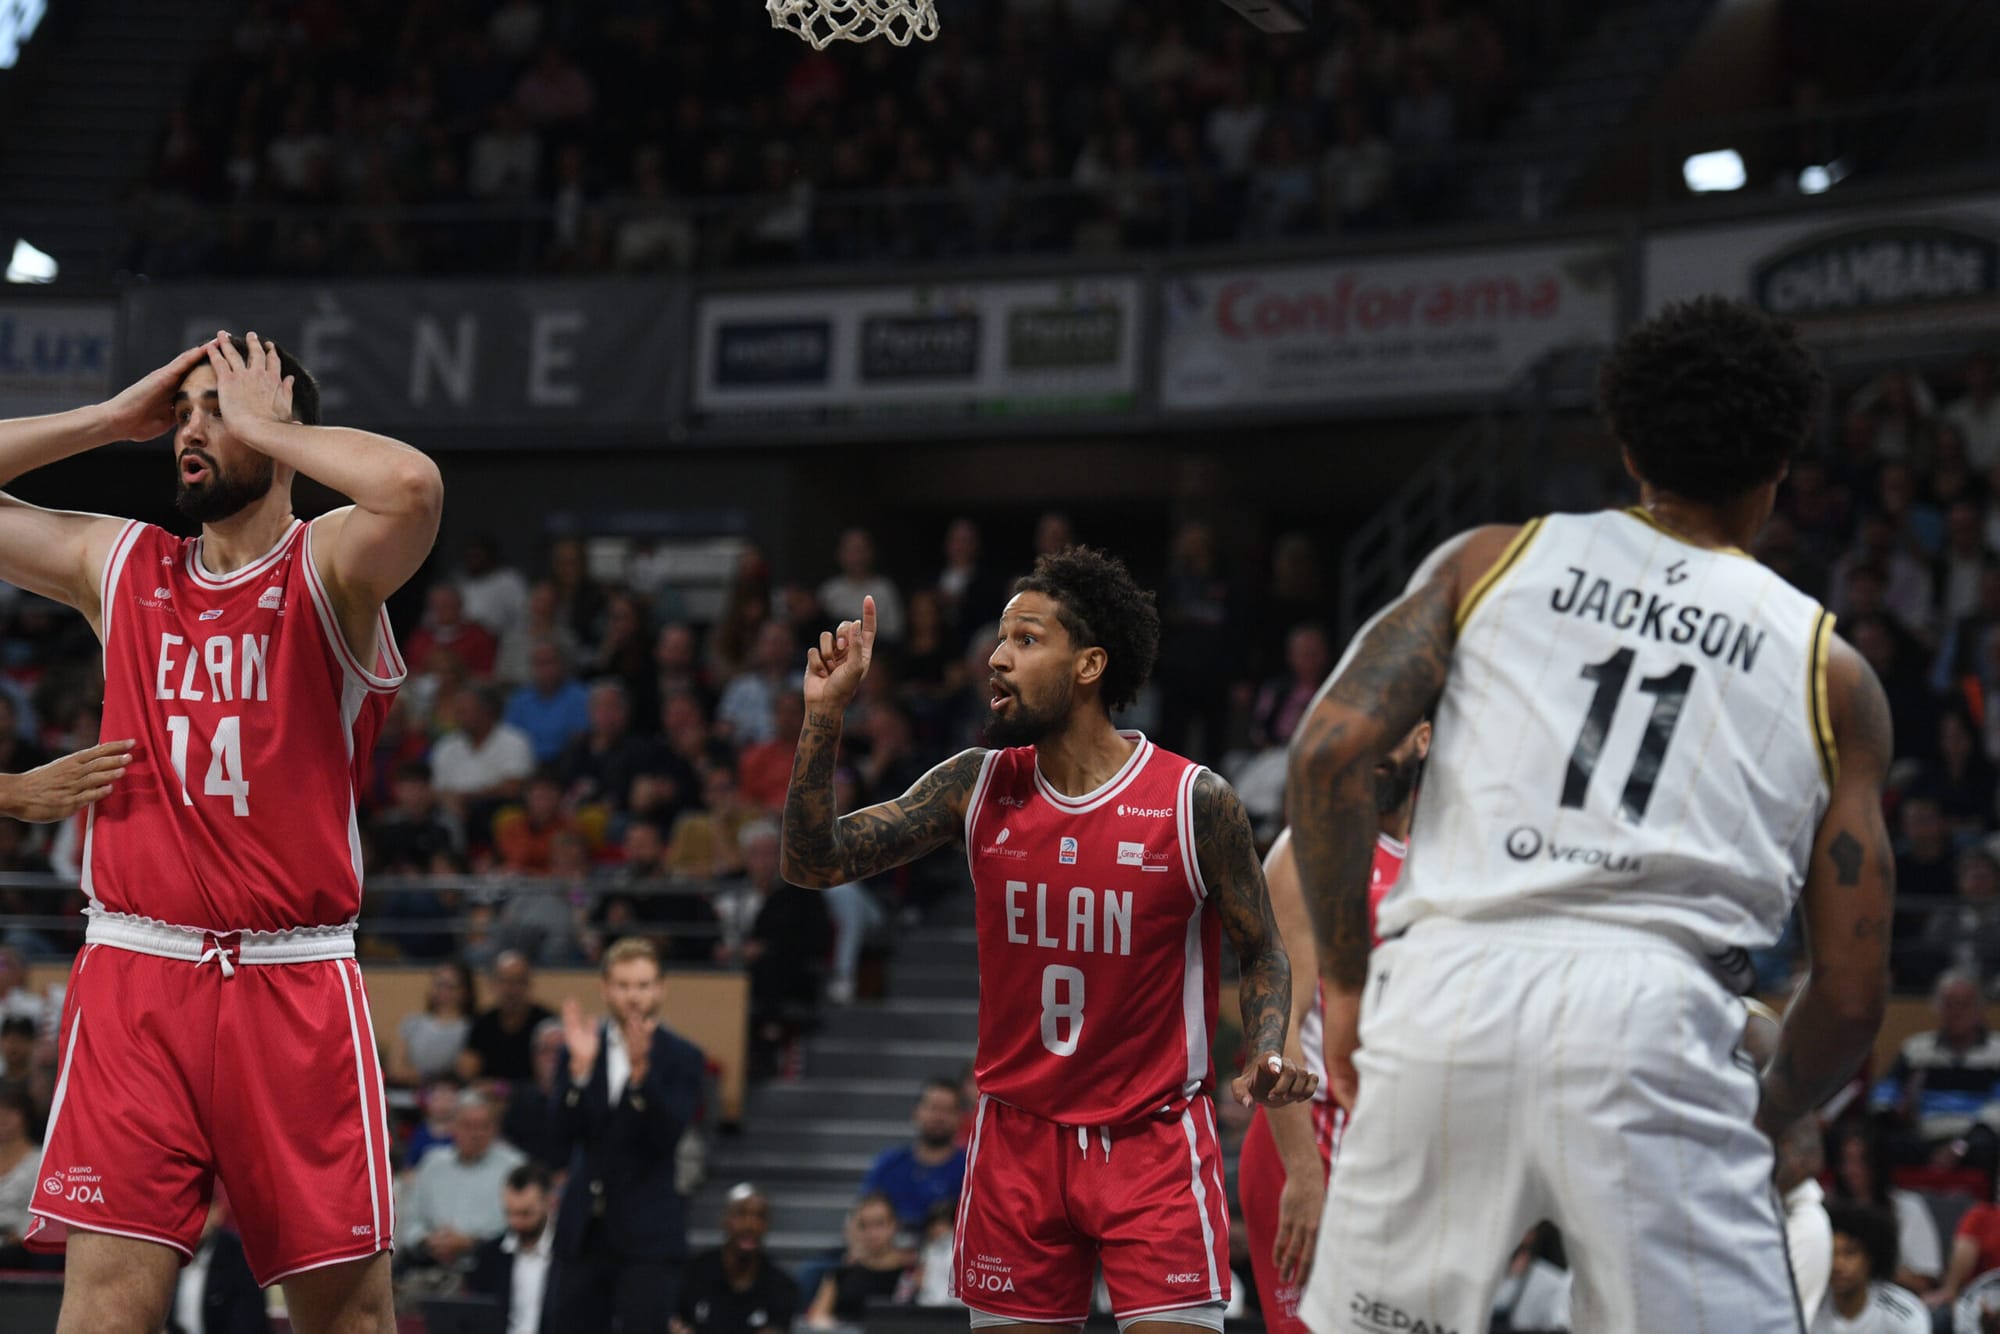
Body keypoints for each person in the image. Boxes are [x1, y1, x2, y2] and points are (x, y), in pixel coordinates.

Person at [1288, 297, 1891, 1331]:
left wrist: (1344, 983)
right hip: (1657, 1017)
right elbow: (1846, 993)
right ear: (1778, 468)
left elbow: (1327, 752)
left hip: (1444, 990)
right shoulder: (1830, 672)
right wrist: (1771, 1109)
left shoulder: (1483, 562)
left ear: (1623, 445)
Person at [4, 332, 440, 1331]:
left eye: (218, 411)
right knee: (107, 1305)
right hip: (136, 970)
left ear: (284, 433)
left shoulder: (331, 565)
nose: (193, 430)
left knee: (349, 1314)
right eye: (188, 412)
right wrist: (111, 419)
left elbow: (410, 487)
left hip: (291, 978)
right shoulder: (119, 562)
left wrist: (265, 422)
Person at [781, 547, 1313, 1332]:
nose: (996, 657)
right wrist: (824, 715)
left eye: (1026, 640)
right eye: (999, 640)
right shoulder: (976, 784)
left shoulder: (1194, 802)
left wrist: (1268, 1045)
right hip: (1015, 1143)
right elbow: (811, 861)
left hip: (1153, 1139)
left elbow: (1262, 947)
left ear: (1090, 664)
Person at [1237, 717, 1428, 1334]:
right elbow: (1274, 1019)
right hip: (1315, 1145)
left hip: (1407, 1155)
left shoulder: (1458, 853)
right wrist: (1303, 1172)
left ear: (1421, 736)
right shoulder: (1315, 846)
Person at [552, 936, 708, 1333]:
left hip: (648, 1236)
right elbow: (559, 1135)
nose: (633, 996)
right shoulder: (580, 1049)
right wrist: (580, 1075)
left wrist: (641, 1081)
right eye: (623, 985)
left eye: (642, 985)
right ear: (605, 988)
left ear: (660, 988)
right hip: (583, 1232)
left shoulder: (682, 1057)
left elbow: (668, 1135)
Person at [400, 1091, 528, 1276]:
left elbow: (522, 1226)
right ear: (453, 1127)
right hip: (430, 1264)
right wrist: (427, 1241)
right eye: (467, 1125)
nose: (475, 1133)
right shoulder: (432, 1164)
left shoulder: (515, 1167)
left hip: (492, 1266)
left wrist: (472, 1243)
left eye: (483, 1126)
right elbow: (411, 1221)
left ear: (494, 1129)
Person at [674, 1182, 801, 1334]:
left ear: (767, 1225)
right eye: (741, 1214)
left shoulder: (782, 1286)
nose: (750, 1225)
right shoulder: (693, 1273)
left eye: (759, 1216)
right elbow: (676, 1323)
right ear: (725, 1220)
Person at [860, 1079, 967, 1232]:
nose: (939, 1117)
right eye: (933, 1108)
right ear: (916, 1112)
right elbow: (863, 1215)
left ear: (960, 1117)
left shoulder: (970, 1171)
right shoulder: (890, 1164)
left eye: (948, 1110)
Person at [466, 1162, 558, 1334]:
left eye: (526, 1213)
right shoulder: (489, 1256)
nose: (516, 1222)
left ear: (549, 1203)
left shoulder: (571, 1256)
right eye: (510, 1213)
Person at [1815, 1203, 1929, 1333]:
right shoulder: (1810, 1308)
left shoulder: (1904, 1314)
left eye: (1850, 1253)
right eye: (1831, 1253)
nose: (1837, 1265)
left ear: (1871, 1257)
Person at [804, 1192, 911, 1327]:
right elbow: (817, 1315)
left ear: (894, 1225)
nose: (872, 1233)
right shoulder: (842, 1273)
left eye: (879, 1224)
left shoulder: (912, 1274)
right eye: (864, 1225)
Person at [165, 1197, 267, 1334]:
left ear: (217, 1214)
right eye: (187, 1212)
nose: (194, 1221)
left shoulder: (240, 1256)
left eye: (200, 1211)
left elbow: (249, 1322)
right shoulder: (168, 1253)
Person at [461, 950, 556, 1082]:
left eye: (517, 981)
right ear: (492, 984)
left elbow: (554, 1072)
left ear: (529, 984)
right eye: (504, 981)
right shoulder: (482, 1023)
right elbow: (467, 1072)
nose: (510, 989)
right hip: (488, 1098)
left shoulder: (547, 1023)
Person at [390, 960, 478, 1087]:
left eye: (450, 986)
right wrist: (428, 1077)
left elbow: (464, 1072)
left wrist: (424, 1077)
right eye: (439, 984)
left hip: (452, 1097)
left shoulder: (472, 1028)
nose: (443, 991)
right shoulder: (412, 1022)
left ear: (465, 991)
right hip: (407, 1093)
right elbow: (395, 1070)